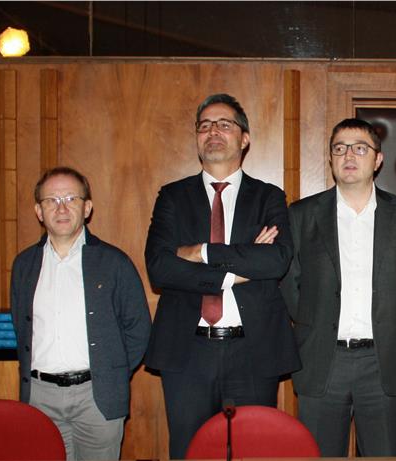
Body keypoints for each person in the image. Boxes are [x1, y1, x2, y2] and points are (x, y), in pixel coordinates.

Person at [143, 93, 299, 459]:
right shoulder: (172, 196)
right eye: (205, 126)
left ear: (244, 138)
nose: (213, 131)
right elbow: (159, 267)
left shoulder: (268, 197)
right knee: (190, 452)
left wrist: (201, 252)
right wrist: (239, 269)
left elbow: (276, 260)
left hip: (254, 349)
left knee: (255, 452)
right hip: (187, 351)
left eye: (224, 124)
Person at [282, 118, 396, 457]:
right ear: (330, 159)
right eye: (340, 148)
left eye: (360, 148)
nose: (348, 155)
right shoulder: (302, 214)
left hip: (385, 362)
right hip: (322, 360)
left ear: (378, 159)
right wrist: (314, 323)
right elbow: (290, 284)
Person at [10, 167, 151, 460]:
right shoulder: (24, 265)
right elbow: (21, 327)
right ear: (39, 211)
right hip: (40, 396)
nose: (61, 208)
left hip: (97, 397)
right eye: (51, 200)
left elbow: (138, 330)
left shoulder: (114, 262)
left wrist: (110, 372)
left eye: (71, 198)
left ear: (87, 208)